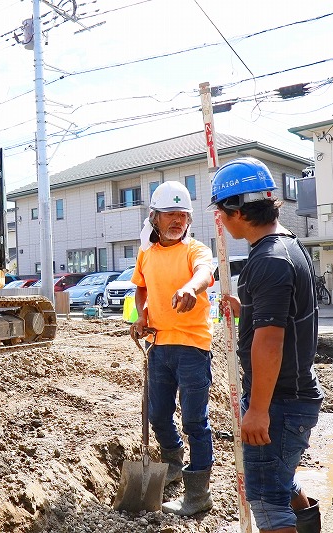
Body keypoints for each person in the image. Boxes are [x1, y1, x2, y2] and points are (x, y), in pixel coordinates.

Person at [212, 157, 323, 533]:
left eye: (221, 211)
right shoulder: (287, 246)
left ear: (236, 210)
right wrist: (247, 309)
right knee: (283, 483)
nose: (221, 220)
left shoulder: (269, 260)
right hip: (293, 395)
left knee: (266, 500)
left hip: (279, 402)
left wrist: (258, 410)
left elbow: (271, 341)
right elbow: (284, 318)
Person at [129, 180, 216, 516]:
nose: (178, 220)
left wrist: (191, 288)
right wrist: (142, 314)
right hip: (158, 345)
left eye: (183, 214)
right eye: (170, 214)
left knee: (195, 421)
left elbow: (204, 272)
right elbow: (141, 288)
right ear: (155, 217)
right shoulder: (147, 253)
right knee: (158, 415)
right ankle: (174, 463)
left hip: (193, 346)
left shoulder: (195, 250)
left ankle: (198, 493)